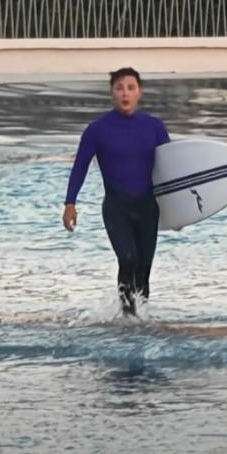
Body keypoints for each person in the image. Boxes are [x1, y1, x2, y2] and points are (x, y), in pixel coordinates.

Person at [63, 67, 171, 316]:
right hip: (116, 207)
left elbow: (169, 170)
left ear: (139, 92)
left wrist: (180, 211)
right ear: (111, 92)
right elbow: (80, 166)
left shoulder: (154, 127)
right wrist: (70, 203)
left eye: (131, 88)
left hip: (147, 207)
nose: (125, 93)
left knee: (144, 268)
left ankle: (141, 319)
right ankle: (126, 316)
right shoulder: (97, 130)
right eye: (120, 88)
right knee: (128, 258)